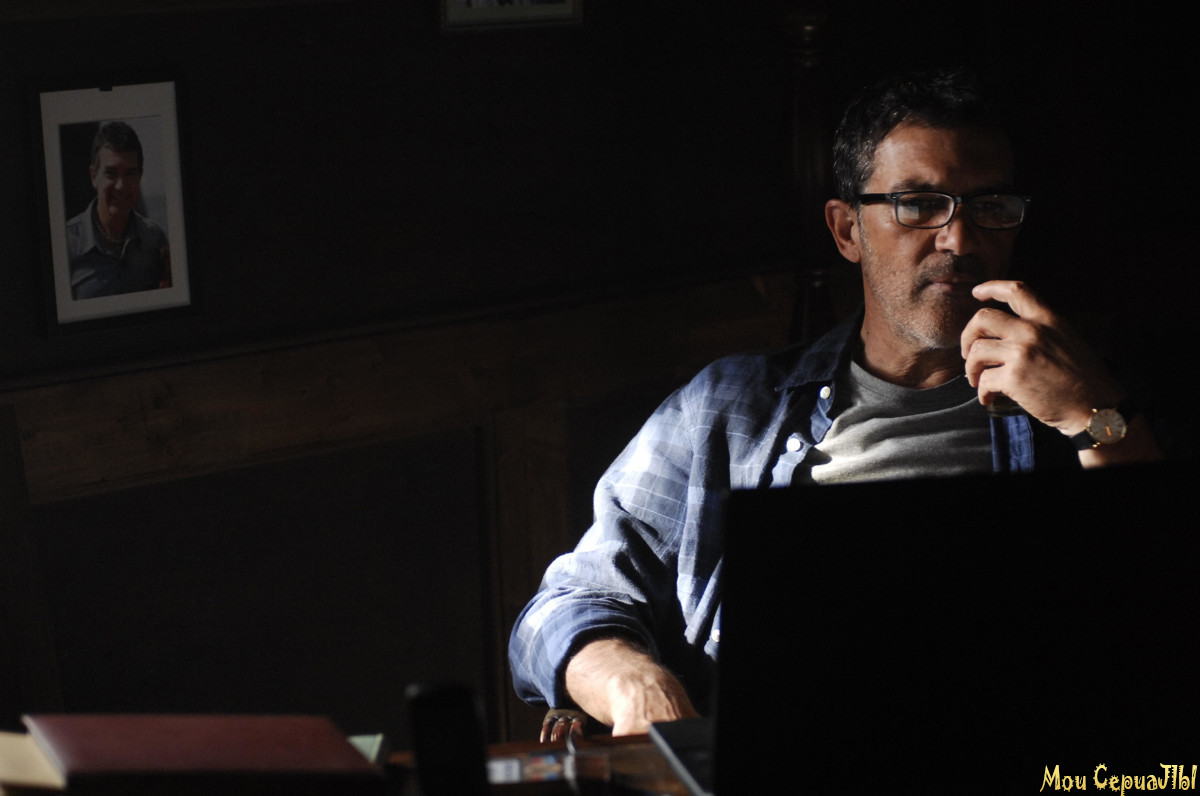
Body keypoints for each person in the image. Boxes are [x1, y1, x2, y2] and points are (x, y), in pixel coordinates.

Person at [507, 68, 1163, 742]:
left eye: (990, 206)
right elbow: (563, 609)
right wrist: (638, 687)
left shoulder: (1091, 407)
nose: (960, 240)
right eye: (918, 205)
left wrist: (1094, 419)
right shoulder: (729, 410)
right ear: (847, 230)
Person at [66, 120, 172, 300]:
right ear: (94, 176)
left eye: (130, 174)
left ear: (140, 177)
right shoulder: (66, 246)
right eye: (111, 173)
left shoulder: (155, 240)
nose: (121, 186)